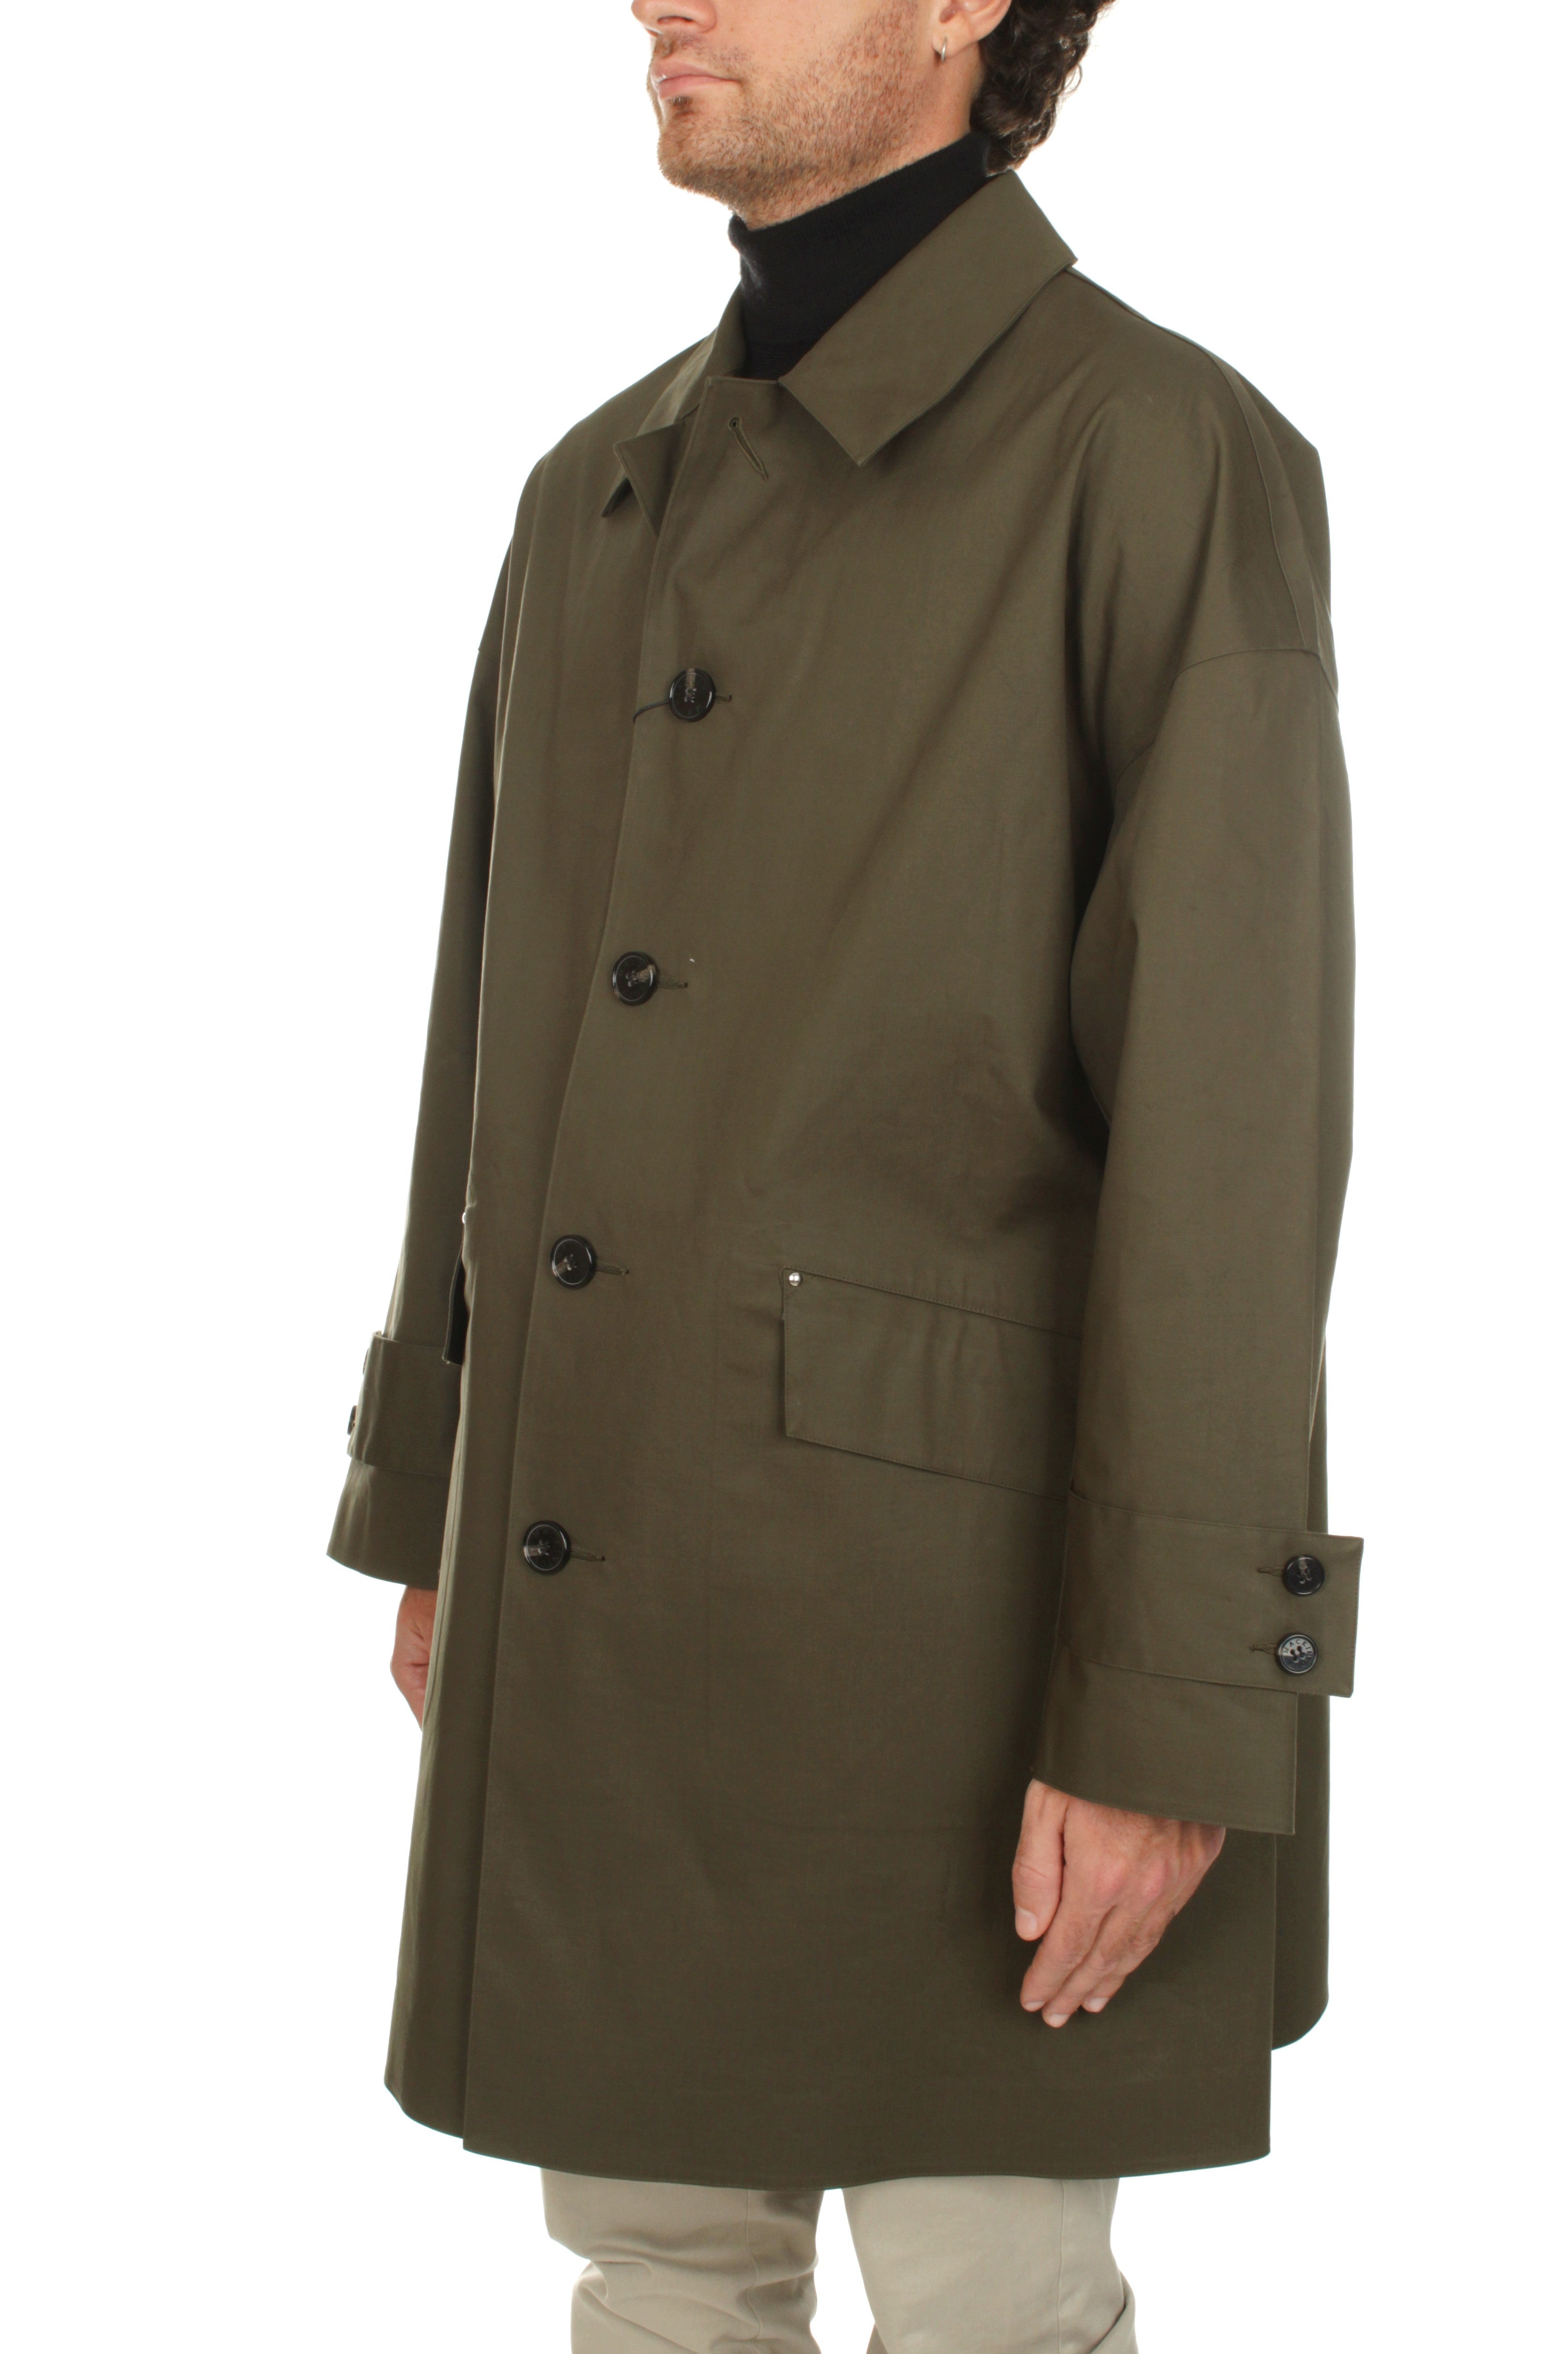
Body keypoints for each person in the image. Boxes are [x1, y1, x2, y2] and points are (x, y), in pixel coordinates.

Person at [327, 3, 1363, 2346]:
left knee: (994, 2291)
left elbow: (1235, 1128)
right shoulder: (595, 486)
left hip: (968, 1627)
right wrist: (443, 1495)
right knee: (654, 2272)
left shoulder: (1156, 450)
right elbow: (487, 1025)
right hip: (602, 1554)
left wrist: (1176, 1698)